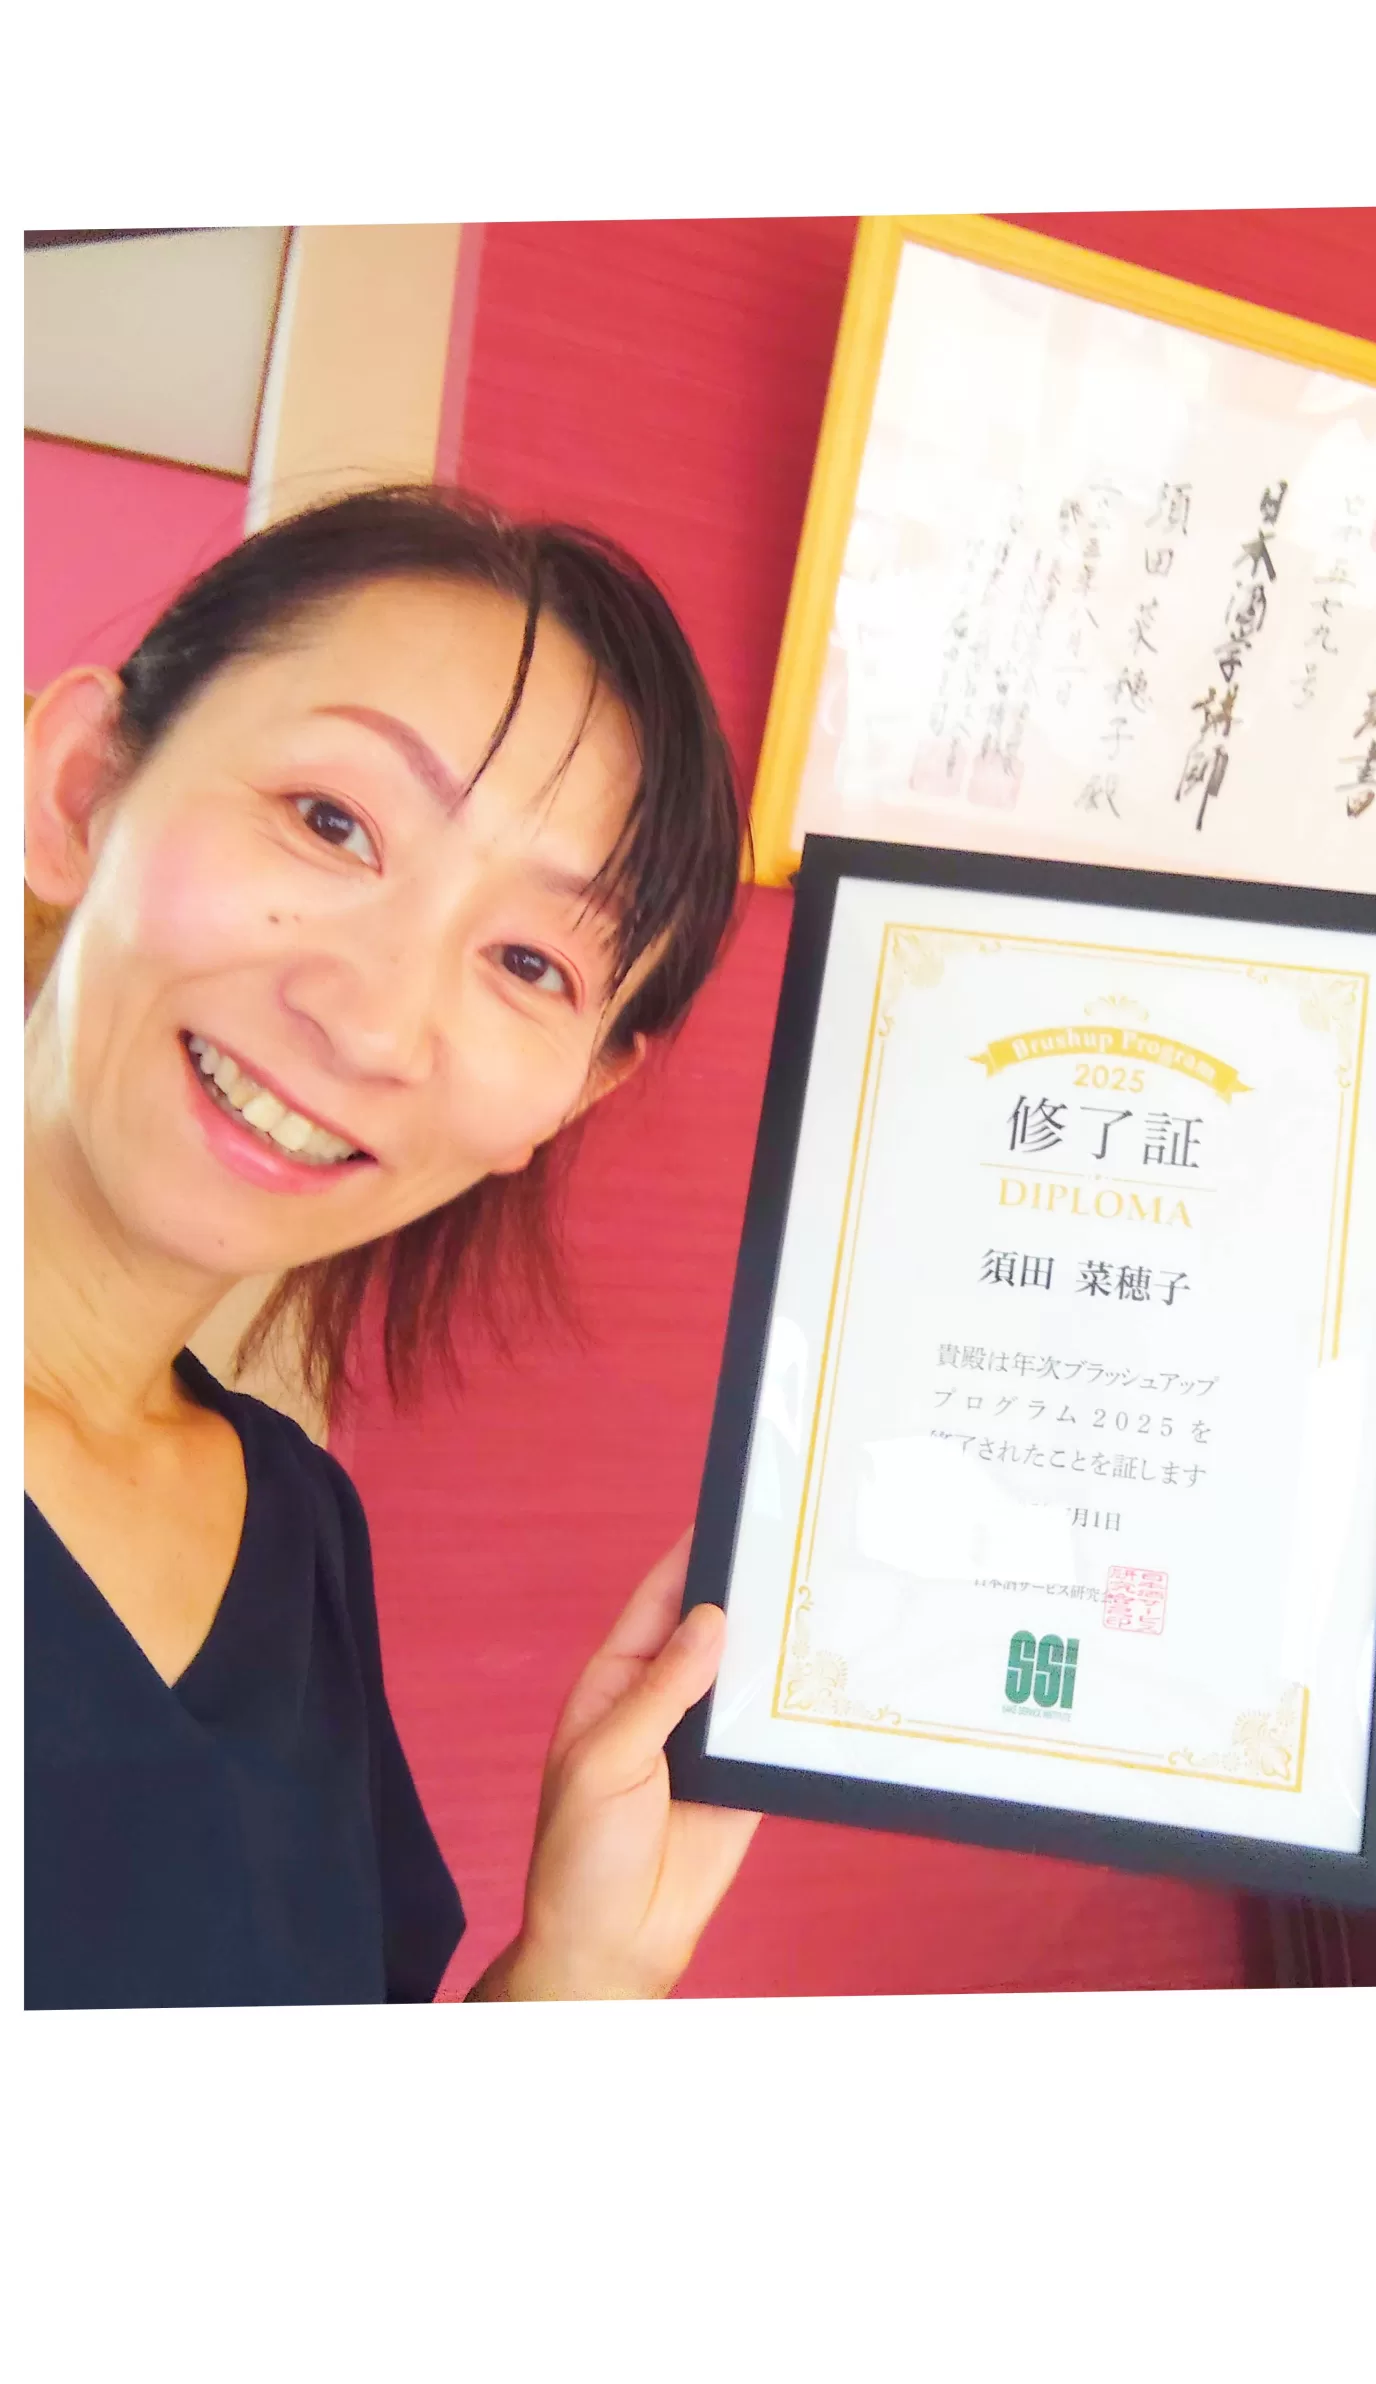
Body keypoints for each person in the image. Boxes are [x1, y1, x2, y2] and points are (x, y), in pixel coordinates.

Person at [23, 485, 761, 2006]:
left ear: (573, 1095)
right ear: (81, 786)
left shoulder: (296, 1537)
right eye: (331, 821)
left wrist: (584, 1959)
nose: (371, 1024)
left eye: (529, 963)